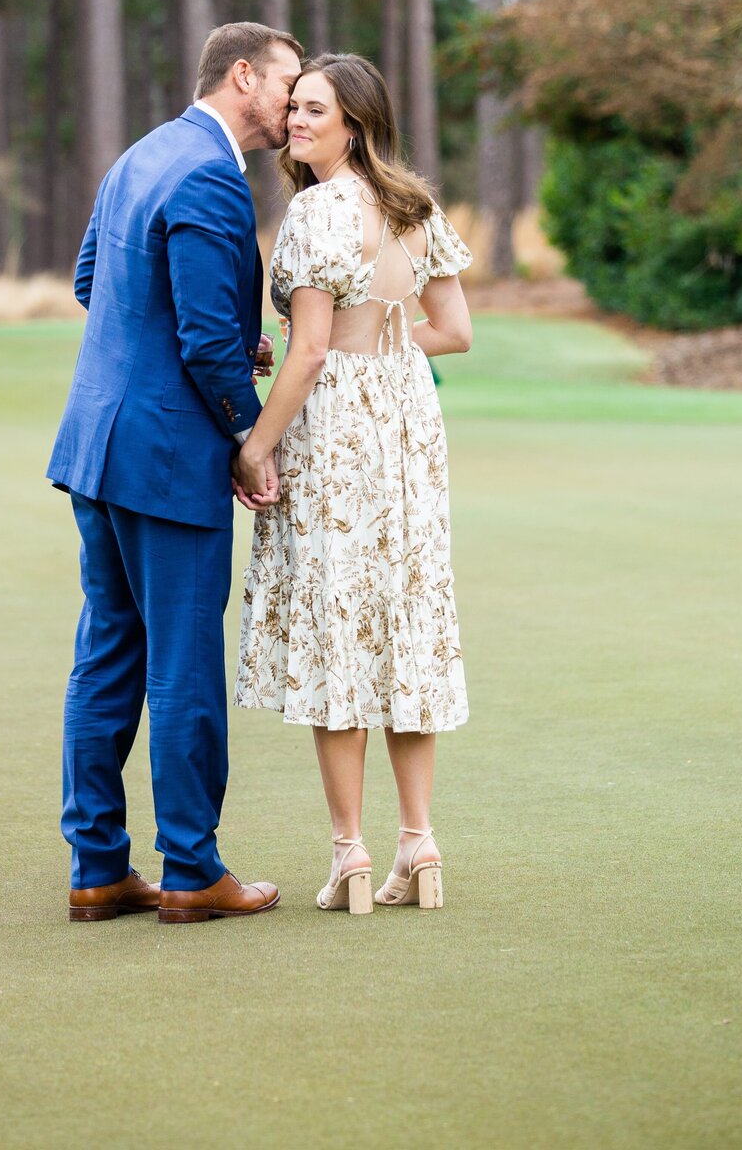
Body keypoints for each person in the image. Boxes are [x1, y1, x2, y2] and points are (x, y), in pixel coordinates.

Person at [47, 21, 303, 924]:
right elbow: (200, 342)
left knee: (108, 652)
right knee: (183, 662)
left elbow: (94, 284)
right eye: (286, 85)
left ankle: (97, 869)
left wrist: (236, 341)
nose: (292, 106)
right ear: (243, 76)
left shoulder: (142, 156)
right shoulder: (209, 176)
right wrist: (251, 436)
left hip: (95, 449)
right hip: (162, 460)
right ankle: (192, 871)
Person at [234, 52, 473, 913]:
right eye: (293, 107)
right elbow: (453, 330)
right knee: (404, 619)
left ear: (356, 124)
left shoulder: (313, 212)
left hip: (334, 434)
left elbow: (304, 354)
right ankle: (421, 841)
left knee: (342, 629)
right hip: (407, 427)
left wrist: (257, 445)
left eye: (316, 111)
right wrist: (383, 351)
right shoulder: (415, 208)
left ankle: (353, 855)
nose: (297, 122)